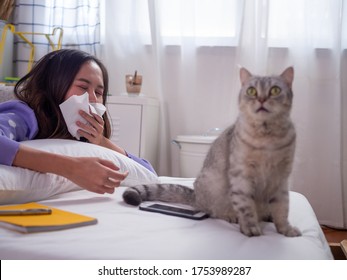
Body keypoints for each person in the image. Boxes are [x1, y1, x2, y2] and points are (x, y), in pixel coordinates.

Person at [0, 49, 156, 194]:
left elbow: (147, 172)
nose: (93, 98)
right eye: (83, 87)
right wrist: (71, 168)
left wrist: (101, 141)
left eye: (99, 92)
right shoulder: (24, 116)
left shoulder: (80, 137)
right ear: (54, 86)